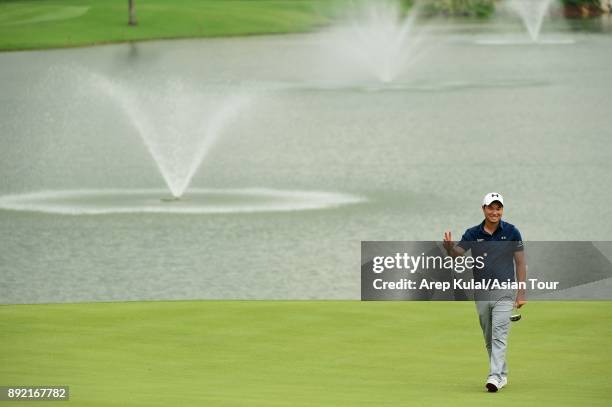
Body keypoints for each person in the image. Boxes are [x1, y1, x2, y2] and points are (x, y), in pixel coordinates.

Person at [443, 192, 526, 392]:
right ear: (484, 209)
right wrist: (449, 248)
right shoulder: (473, 233)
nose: (494, 212)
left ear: (502, 210)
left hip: (505, 290)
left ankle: (494, 377)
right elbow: (457, 255)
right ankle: (502, 373)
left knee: (499, 335)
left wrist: (521, 292)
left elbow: (520, 262)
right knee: (489, 337)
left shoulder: (512, 232)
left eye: (498, 208)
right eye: (491, 207)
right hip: (481, 291)